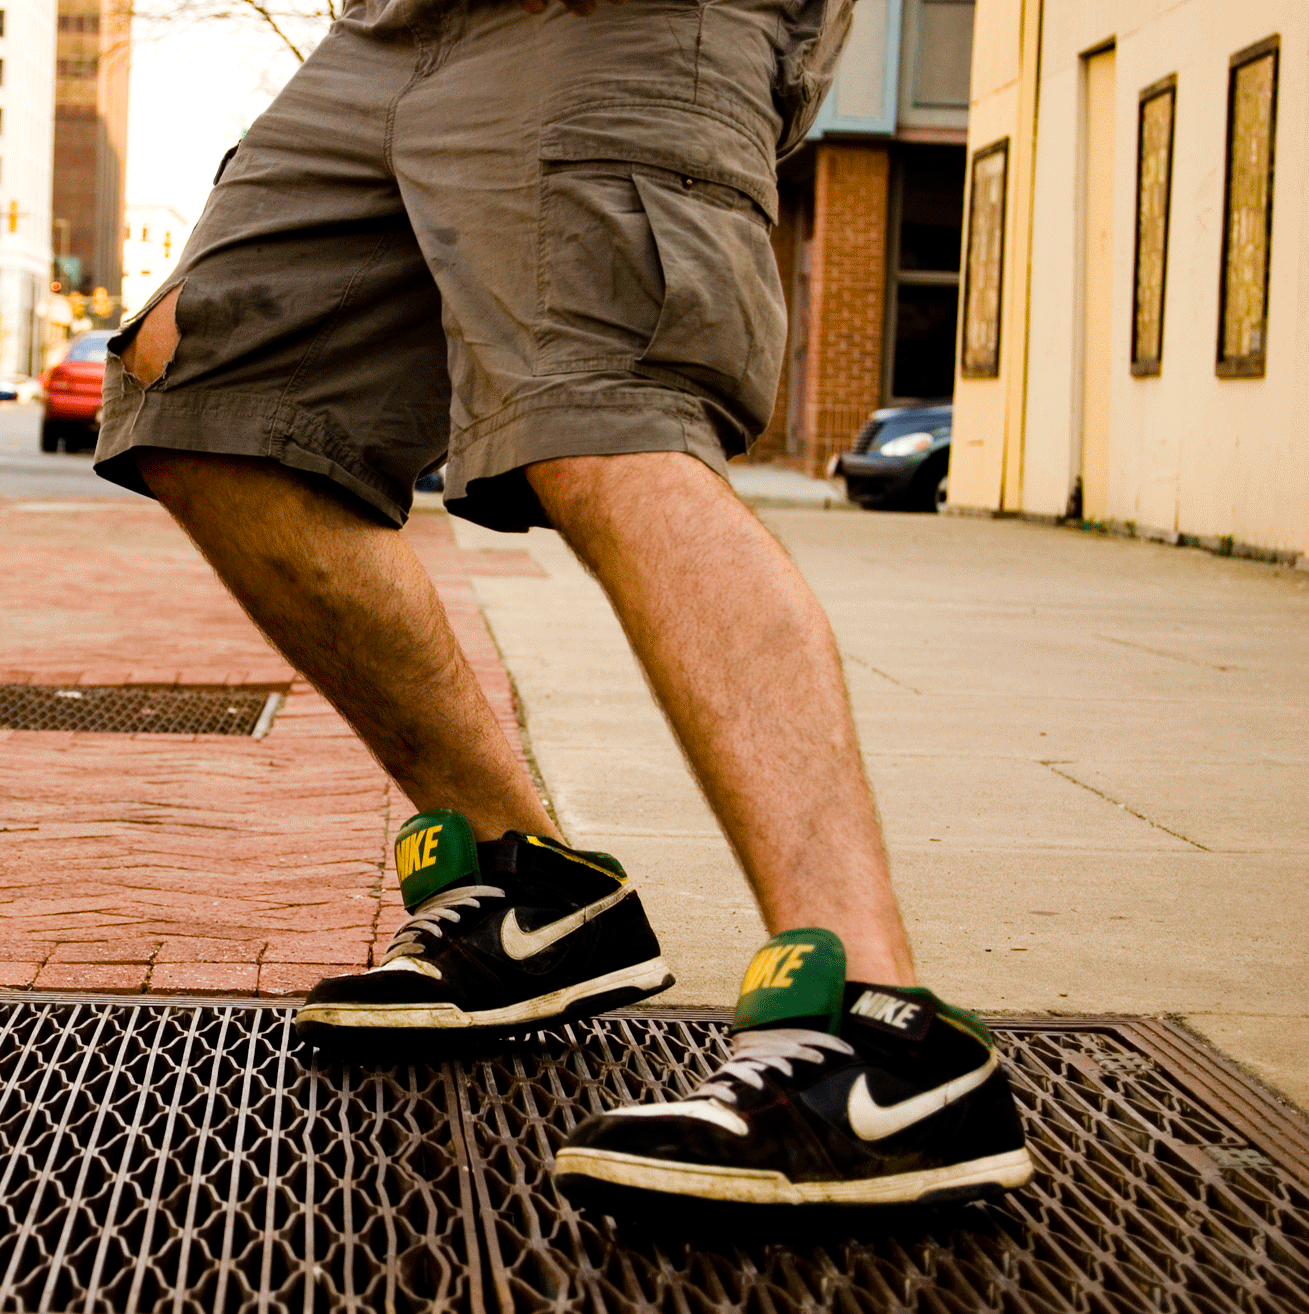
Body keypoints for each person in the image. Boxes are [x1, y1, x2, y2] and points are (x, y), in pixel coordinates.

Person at [93, 0, 1032, 1209]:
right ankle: (533, 891)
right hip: (394, 25)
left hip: (614, 20)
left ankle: (880, 1037)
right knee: (202, 385)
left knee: (602, 417)